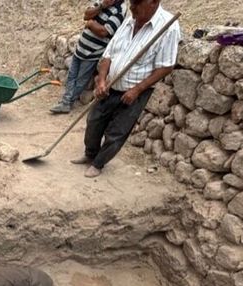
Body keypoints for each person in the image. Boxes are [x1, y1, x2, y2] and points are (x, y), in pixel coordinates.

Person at [73, 0, 181, 178]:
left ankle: (98, 163)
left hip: (135, 91)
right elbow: (108, 53)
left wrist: (137, 90)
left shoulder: (168, 27)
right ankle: (90, 154)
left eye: (137, 4)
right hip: (110, 85)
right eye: (131, 3)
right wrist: (101, 80)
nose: (132, 8)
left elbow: (165, 66)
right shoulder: (130, 20)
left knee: (117, 131)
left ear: (154, 2)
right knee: (94, 121)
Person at [50, 0, 127, 114]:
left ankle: (67, 103)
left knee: (81, 80)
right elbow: (86, 15)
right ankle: (66, 101)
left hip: (92, 53)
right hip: (81, 47)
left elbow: (104, 31)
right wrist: (101, 6)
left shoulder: (120, 10)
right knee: (71, 75)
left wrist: (91, 24)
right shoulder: (102, 2)